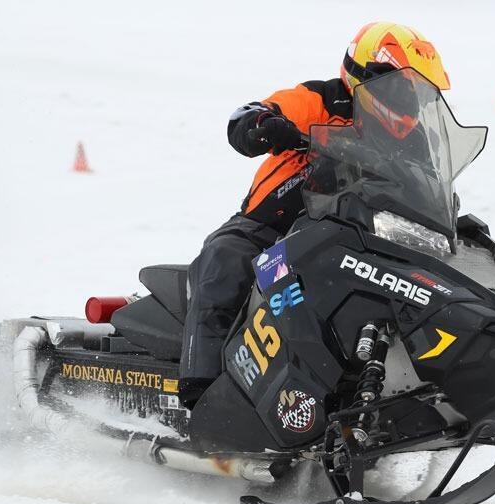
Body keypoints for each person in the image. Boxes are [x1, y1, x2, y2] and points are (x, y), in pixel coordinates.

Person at [179, 22, 452, 409]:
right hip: (270, 226)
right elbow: (256, 114)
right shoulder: (321, 100)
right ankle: (202, 393)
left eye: (418, 93)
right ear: (366, 76)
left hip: (356, 234)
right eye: (404, 88)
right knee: (224, 257)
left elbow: (426, 184)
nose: (410, 102)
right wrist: (262, 124)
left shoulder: (414, 138)